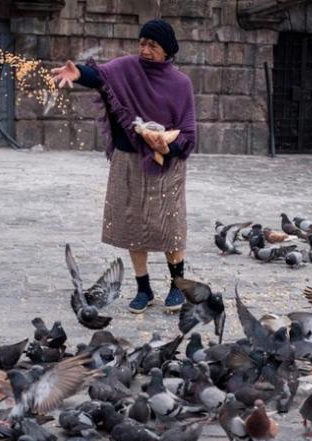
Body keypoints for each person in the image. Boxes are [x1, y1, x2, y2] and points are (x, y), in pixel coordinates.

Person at [50, 19, 197, 314]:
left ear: (166, 50)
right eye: (142, 43)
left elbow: (189, 133)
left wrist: (167, 145)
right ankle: (143, 288)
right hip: (127, 161)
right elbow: (100, 76)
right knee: (133, 226)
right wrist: (78, 73)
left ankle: (177, 286)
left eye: (152, 45)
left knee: (170, 226)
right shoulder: (127, 68)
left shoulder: (181, 84)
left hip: (165, 165)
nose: (144, 49)